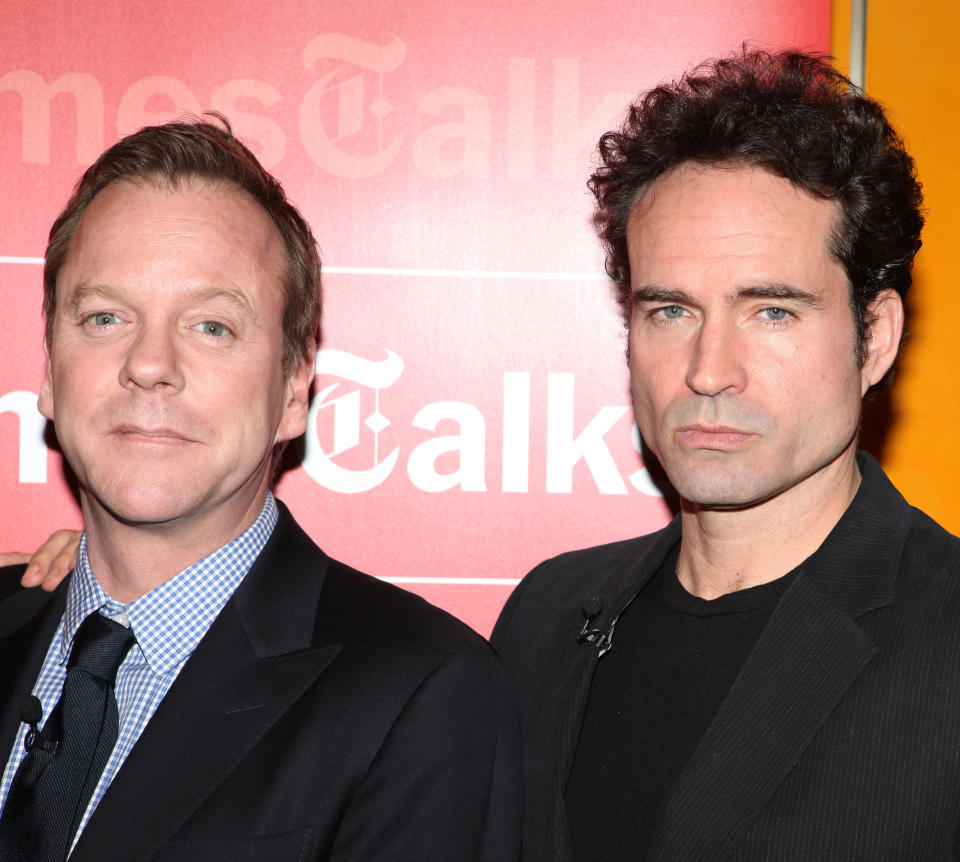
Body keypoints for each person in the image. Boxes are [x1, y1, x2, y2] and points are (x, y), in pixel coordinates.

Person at [0, 116, 520, 861]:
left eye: (212, 327)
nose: (149, 364)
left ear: (293, 392)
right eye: (105, 317)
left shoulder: (421, 692)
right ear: (50, 370)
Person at [491, 50, 960, 860]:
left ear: (874, 338)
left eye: (772, 312)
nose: (708, 369)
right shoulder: (548, 612)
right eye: (671, 310)